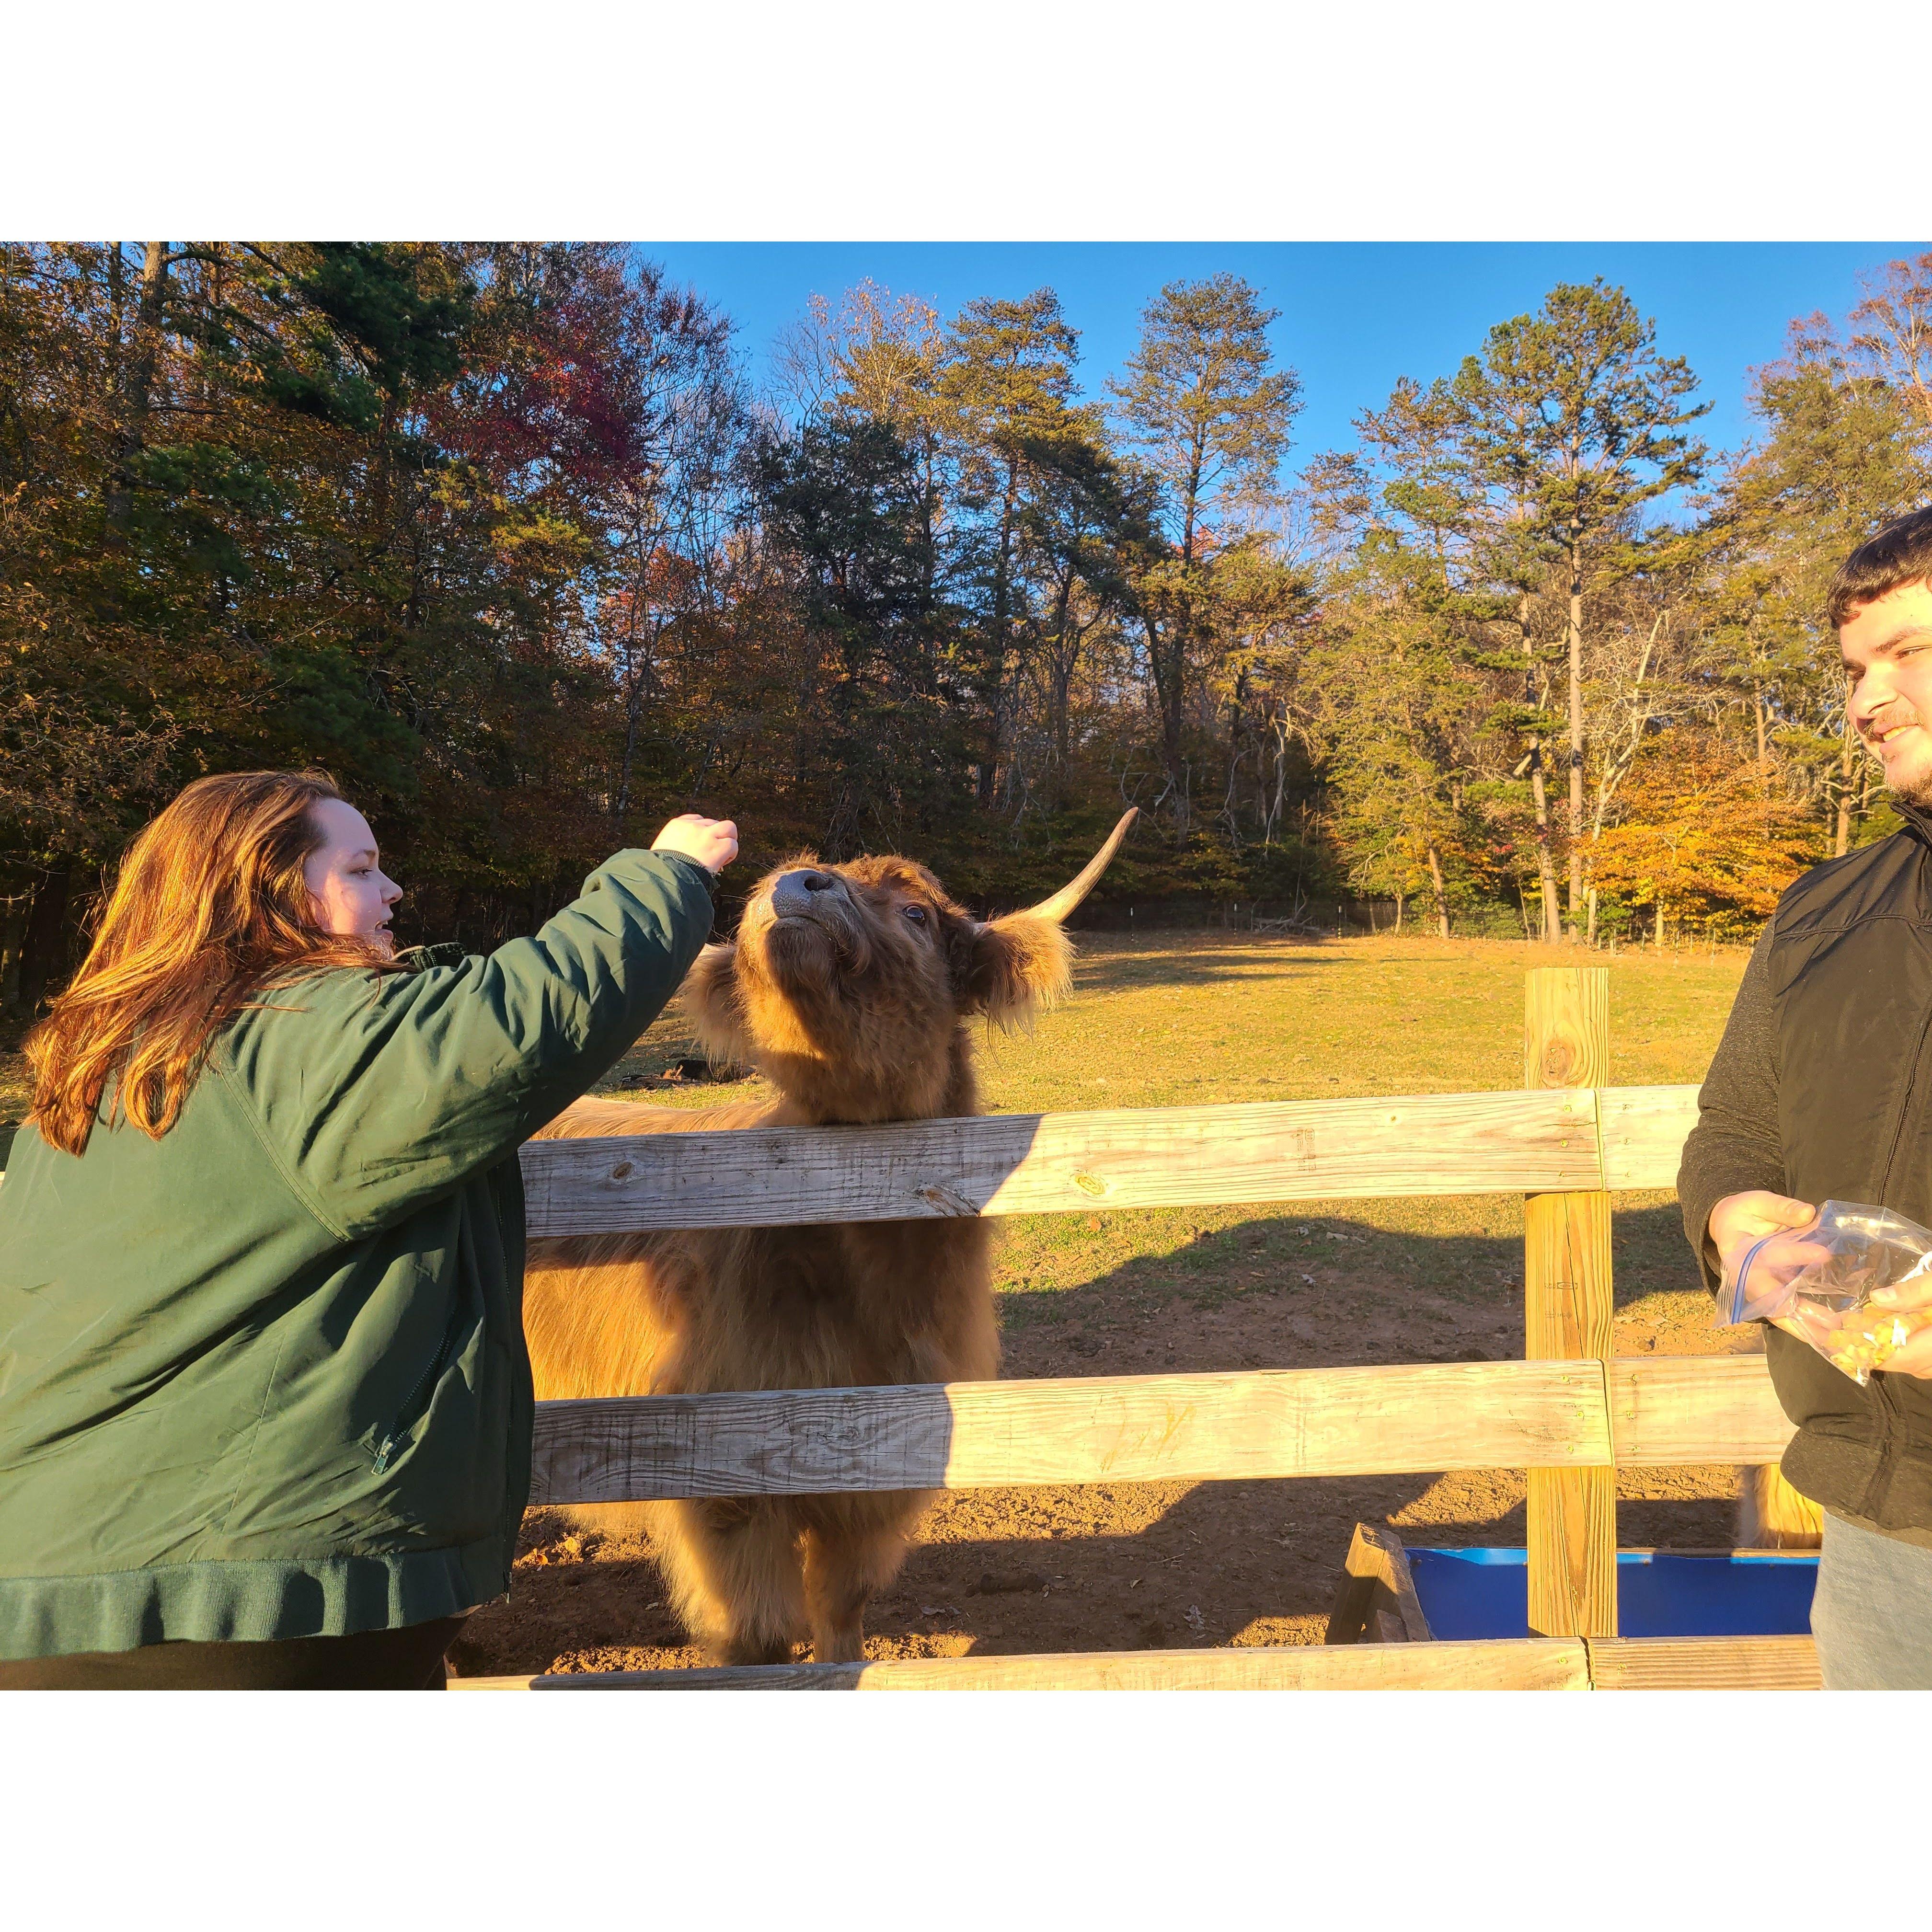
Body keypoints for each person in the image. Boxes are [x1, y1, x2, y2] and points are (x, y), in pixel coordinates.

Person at [0, 770, 735, 1688]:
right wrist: (666, 873)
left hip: (47, 1583)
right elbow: (518, 1021)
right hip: (256, 1598)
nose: (393, 893)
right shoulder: (302, 1037)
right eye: (361, 868)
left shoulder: (94, 1080)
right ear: (268, 893)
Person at [1680, 504, 1932, 1689]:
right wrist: (1731, 1216)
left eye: (1911, 655)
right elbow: (1732, 1126)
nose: (1866, 700)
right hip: (1884, 1525)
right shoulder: (1822, 916)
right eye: (1854, 669)